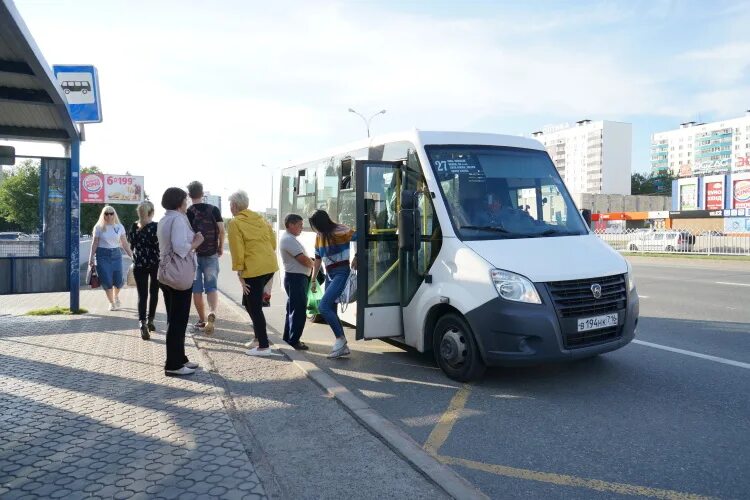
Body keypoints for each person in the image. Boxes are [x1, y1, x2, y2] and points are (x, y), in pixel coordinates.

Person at [158, 187, 205, 377]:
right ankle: (174, 364)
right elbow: (180, 247)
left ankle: (180, 358)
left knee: (174, 319)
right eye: (185, 200)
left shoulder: (165, 218)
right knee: (178, 321)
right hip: (178, 275)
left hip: (167, 274)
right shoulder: (177, 218)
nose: (187, 203)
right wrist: (197, 242)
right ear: (179, 202)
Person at [226, 190, 279, 357]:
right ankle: (258, 339)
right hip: (269, 266)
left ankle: (264, 346)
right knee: (249, 303)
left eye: (230, 205)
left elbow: (237, 249)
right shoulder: (260, 219)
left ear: (234, 206)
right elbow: (272, 242)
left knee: (254, 307)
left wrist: (240, 272)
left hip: (254, 269)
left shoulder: (235, 223)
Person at [309, 209, 357, 359]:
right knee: (330, 309)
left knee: (323, 306)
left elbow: (361, 238)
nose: (315, 229)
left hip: (342, 272)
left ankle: (340, 340)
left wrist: (357, 256)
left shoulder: (341, 230)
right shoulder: (319, 236)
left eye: (315, 225)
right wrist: (313, 279)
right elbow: (317, 260)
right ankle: (342, 345)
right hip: (330, 275)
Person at [186, 181, 225, 335]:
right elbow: (222, 230)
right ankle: (213, 312)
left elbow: (187, 234)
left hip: (194, 255)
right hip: (211, 254)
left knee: (196, 290)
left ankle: (202, 320)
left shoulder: (188, 212)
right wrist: (220, 247)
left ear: (189, 195)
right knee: (212, 287)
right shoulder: (214, 209)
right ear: (202, 194)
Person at [88, 206, 133, 311]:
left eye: (111, 213)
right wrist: (90, 258)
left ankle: (115, 296)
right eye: (106, 213)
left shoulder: (119, 227)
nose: (109, 215)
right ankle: (111, 303)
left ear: (114, 214)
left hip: (116, 254)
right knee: (107, 281)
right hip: (102, 255)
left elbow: (124, 243)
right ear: (103, 215)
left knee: (118, 281)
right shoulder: (98, 227)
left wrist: (132, 256)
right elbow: (94, 243)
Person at [279, 214, 313, 350]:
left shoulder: (290, 238)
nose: (301, 228)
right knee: (298, 310)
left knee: (292, 309)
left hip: (296, 278)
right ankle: (294, 340)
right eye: (299, 225)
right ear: (291, 225)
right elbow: (303, 259)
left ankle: (288, 338)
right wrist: (314, 264)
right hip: (296, 278)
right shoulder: (288, 239)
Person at [127, 201, 160, 340]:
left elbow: (131, 244)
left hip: (139, 265)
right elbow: (160, 246)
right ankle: (151, 320)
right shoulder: (156, 227)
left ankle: (142, 323)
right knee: (154, 292)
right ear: (151, 212)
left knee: (142, 295)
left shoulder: (134, 226)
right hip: (155, 264)